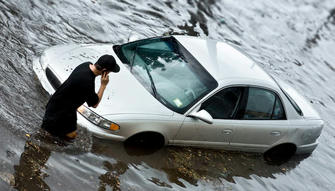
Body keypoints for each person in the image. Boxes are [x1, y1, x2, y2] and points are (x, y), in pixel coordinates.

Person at [41, 54, 120, 140]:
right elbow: (95, 104)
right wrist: (103, 85)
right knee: (47, 138)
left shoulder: (86, 65)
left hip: (65, 108)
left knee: (71, 136)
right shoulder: (87, 82)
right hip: (58, 113)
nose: (109, 73)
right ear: (105, 70)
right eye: (110, 71)